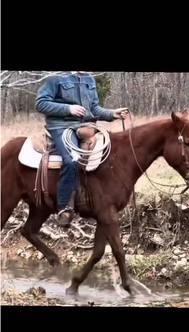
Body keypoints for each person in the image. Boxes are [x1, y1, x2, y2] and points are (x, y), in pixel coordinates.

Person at [35, 71, 128, 227]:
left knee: (107, 156)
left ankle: (92, 202)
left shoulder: (89, 79)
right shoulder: (56, 77)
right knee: (72, 160)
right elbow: (40, 103)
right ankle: (63, 207)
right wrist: (68, 109)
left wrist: (112, 114)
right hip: (62, 127)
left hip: (85, 127)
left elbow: (94, 109)